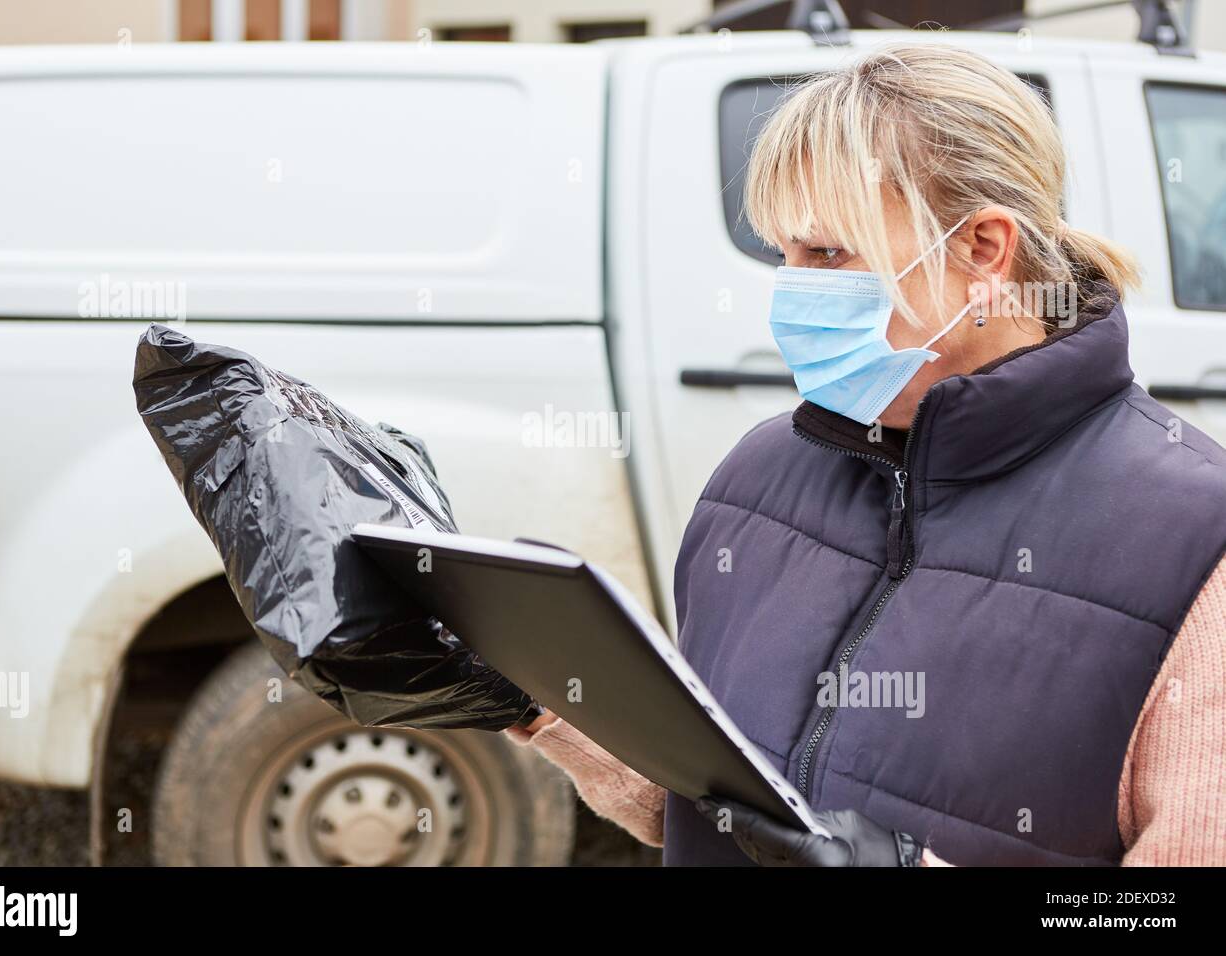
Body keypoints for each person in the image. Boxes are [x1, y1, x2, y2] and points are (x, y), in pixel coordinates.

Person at [507, 44, 1226, 867]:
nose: (792, 290)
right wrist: (534, 689)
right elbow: (711, 807)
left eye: (827, 255)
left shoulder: (1196, 544)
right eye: (782, 254)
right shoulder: (759, 477)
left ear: (985, 248)